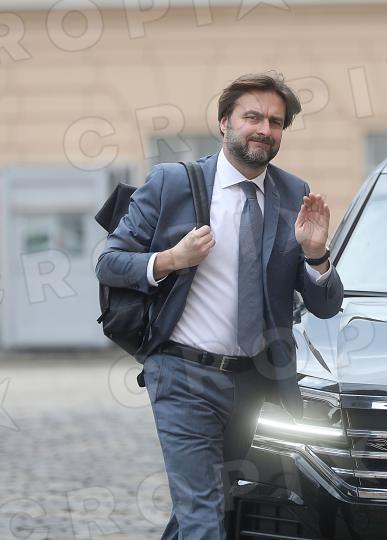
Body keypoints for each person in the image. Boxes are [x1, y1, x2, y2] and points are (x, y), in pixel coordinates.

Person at [95, 72, 344, 539]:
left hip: (252, 382)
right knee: (203, 514)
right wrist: (171, 259)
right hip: (182, 374)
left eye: (275, 122)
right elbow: (109, 263)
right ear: (224, 121)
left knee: (210, 503)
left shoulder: (294, 193)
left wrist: (316, 255)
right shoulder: (172, 184)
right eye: (253, 117)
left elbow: (326, 306)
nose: (264, 129)